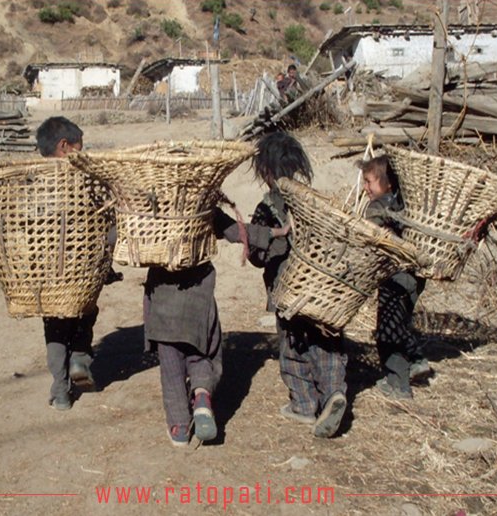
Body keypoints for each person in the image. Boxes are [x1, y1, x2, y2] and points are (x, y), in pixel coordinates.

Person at [145, 200, 288, 447]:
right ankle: (201, 396)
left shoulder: (149, 210)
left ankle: (179, 427)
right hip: (198, 295)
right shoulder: (202, 205)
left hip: (162, 299)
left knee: (171, 364)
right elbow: (237, 231)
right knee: (201, 353)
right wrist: (278, 232)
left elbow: (117, 237)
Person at [248, 131, 348, 438]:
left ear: (265, 170)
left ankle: (304, 405)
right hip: (320, 286)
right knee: (325, 341)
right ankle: (333, 393)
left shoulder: (267, 207)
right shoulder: (313, 199)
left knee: (292, 345)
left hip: (286, 289)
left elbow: (256, 253)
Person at [35, 116, 98, 410]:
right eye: (79, 148)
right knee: (86, 311)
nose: (81, 155)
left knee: (54, 328)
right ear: (64, 146)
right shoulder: (77, 181)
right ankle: (80, 358)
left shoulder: (28, 181)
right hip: (78, 267)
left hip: (43, 274)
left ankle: (61, 392)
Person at [358, 156, 433, 400]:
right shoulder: (405, 205)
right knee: (401, 322)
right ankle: (417, 360)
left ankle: (398, 384)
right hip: (414, 277)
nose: (365, 188)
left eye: (369, 182)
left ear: (388, 184)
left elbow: (369, 234)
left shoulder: (378, 207)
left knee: (388, 330)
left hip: (395, 277)